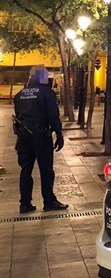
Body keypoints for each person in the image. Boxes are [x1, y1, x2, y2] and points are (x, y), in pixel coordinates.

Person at [13, 65, 68, 213]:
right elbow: (53, 116)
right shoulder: (47, 93)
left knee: (26, 170)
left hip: (23, 137)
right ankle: (49, 201)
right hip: (40, 136)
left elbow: (18, 115)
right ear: (42, 77)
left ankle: (25, 204)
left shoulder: (19, 95)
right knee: (46, 170)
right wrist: (59, 134)